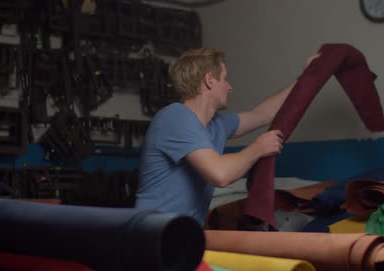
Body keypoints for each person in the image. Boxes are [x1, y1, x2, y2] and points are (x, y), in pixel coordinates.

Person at [135, 48, 319, 227]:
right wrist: (258, 148)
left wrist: (303, 79)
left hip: (184, 236)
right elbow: (220, 174)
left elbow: (263, 114)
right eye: (224, 78)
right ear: (209, 81)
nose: (229, 87)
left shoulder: (216, 124)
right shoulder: (175, 117)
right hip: (152, 236)